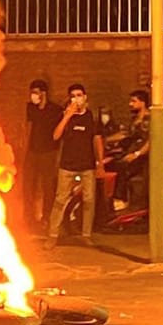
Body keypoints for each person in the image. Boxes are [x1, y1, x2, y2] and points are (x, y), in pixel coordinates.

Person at [45, 84, 103, 247]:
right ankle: (52, 235)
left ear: (85, 97)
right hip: (67, 165)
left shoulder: (92, 117)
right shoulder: (65, 116)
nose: (76, 98)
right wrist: (67, 116)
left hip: (87, 165)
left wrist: (100, 163)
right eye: (73, 95)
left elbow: (97, 140)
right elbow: (56, 136)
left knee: (89, 200)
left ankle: (86, 234)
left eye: (79, 95)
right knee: (60, 200)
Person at [22, 79, 63, 232]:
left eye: (35, 92)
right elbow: (28, 128)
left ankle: (46, 218)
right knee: (29, 186)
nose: (33, 96)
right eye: (31, 92)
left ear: (43, 93)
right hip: (33, 153)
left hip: (49, 153)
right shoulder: (31, 108)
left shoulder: (55, 110)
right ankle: (29, 219)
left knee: (48, 187)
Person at [112, 90, 151, 211]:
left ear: (143, 102)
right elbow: (127, 134)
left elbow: (150, 141)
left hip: (143, 157)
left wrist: (137, 154)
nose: (130, 104)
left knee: (122, 167)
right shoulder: (135, 119)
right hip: (132, 151)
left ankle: (120, 199)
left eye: (134, 101)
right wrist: (106, 139)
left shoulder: (148, 119)